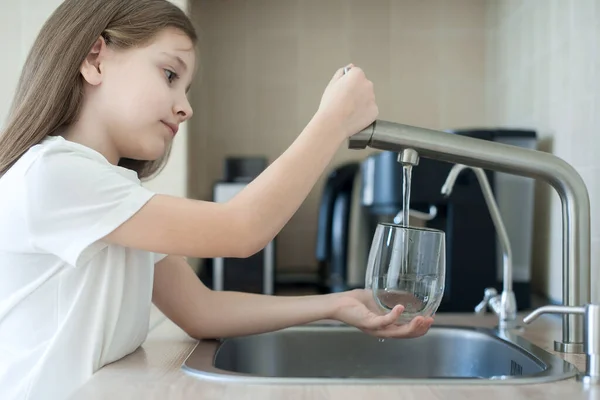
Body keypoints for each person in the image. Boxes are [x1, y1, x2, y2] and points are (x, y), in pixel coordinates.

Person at [0, 0, 434, 398]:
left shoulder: (111, 195)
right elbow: (240, 230)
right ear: (95, 59)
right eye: (170, 75)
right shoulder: (54, 174)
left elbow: (200, 310)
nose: (185, 107)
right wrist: (332, 121)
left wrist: (338, 305)